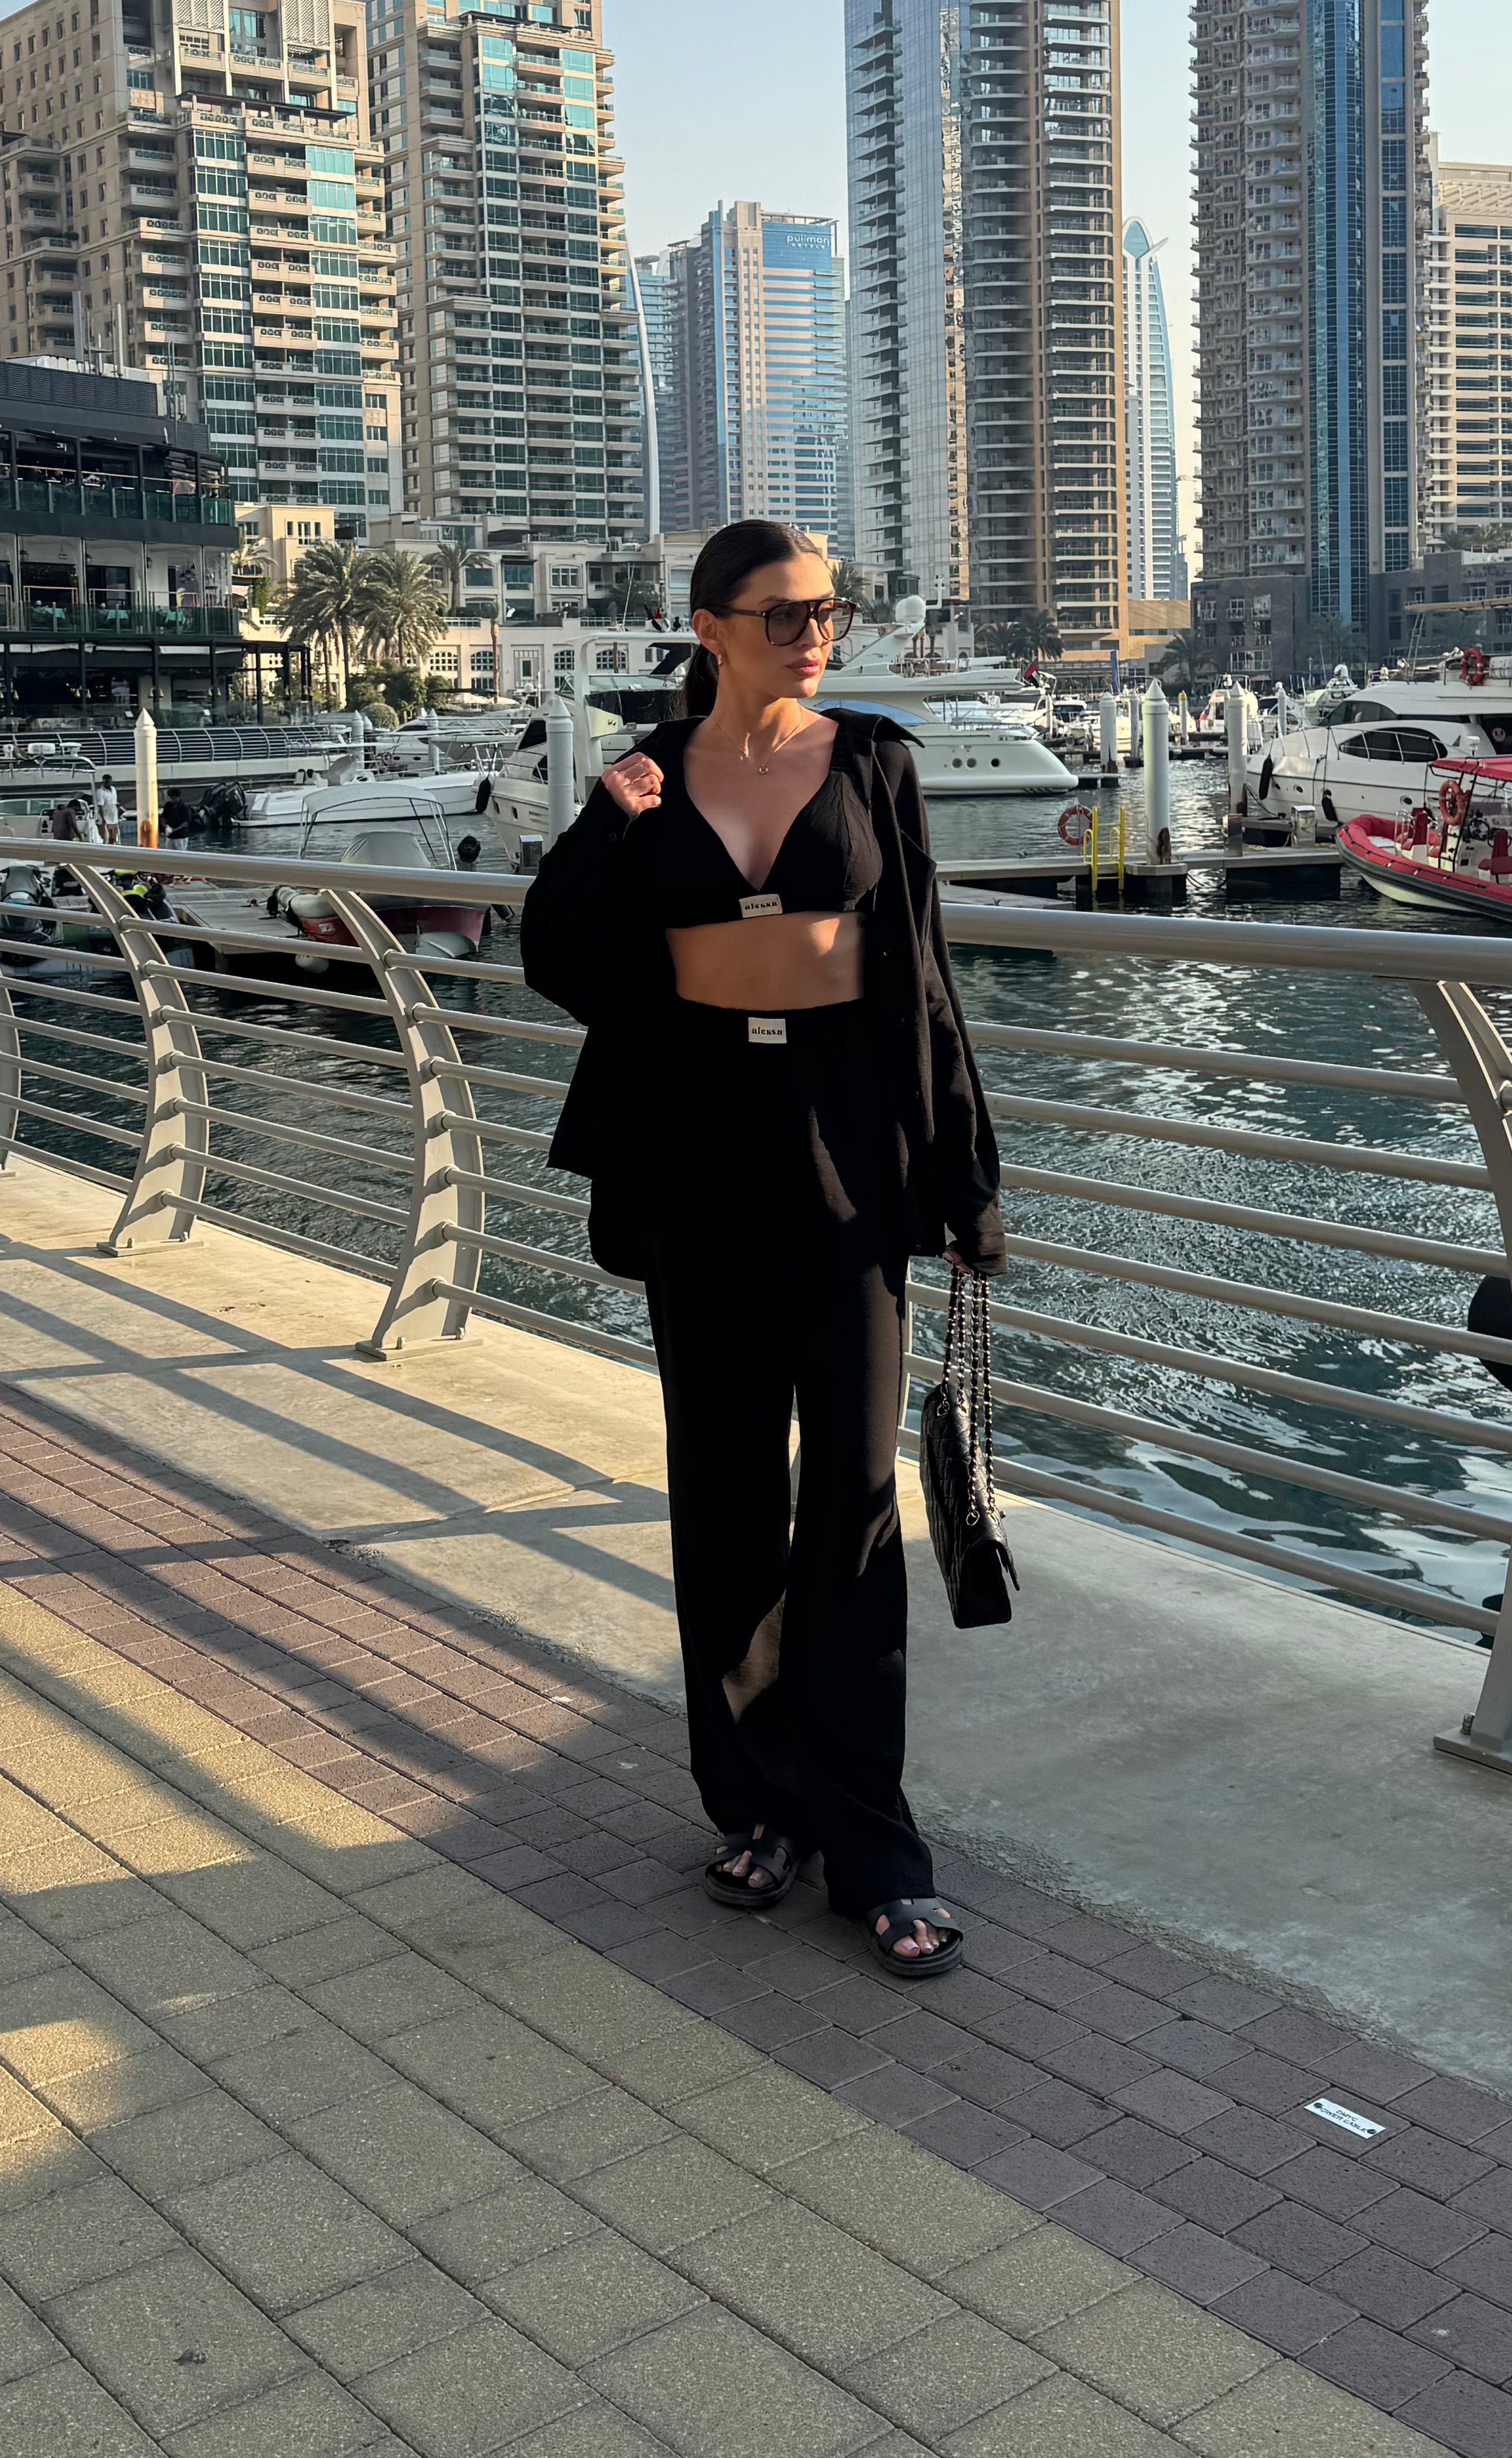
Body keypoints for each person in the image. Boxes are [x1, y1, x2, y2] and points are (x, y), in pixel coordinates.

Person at [522, 519, 1002, 1978]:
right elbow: (559, 958)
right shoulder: (648, 773)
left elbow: (921, 974)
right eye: (786, 615)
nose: (815, 636)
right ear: (710, 625)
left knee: (851, 1501)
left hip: (847, 1154)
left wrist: (964, 1181)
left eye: (828, 611)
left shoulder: (872, 763)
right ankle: (757, 1804)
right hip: (696, 1153)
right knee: (725, 1494)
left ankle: (876, 1848)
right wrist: (606, 824)